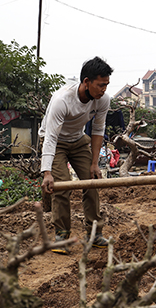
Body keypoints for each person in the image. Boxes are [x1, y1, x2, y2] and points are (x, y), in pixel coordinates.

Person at [39, 56, 112, 254]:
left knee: (92, 181)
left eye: (106, 84)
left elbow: (98, 130)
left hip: (78, 141)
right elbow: (51, 137)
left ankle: (94, 233)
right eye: (100, 85)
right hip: (56, 142)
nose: (104, 89)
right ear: (86, 82)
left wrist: (95, 163)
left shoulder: (102, 100)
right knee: (61, 185)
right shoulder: (62, 100)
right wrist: (47, 173)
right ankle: (61, 235)